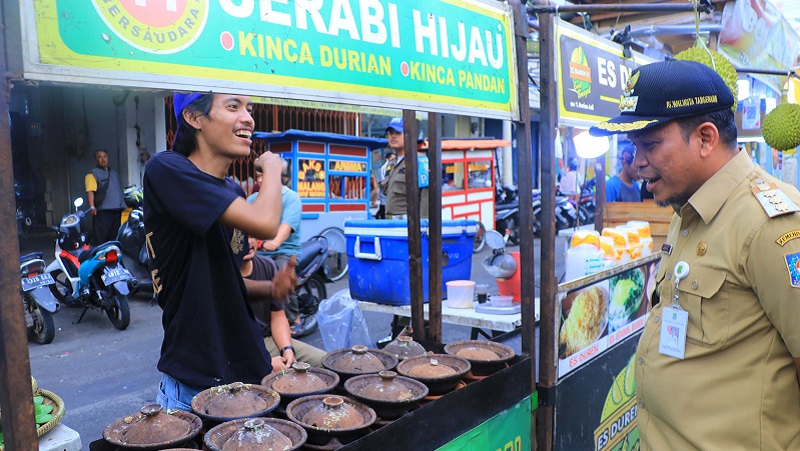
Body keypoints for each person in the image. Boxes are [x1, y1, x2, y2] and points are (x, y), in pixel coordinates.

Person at [590, 60, 800, 450]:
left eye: (650, 145)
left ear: (705, 138)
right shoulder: (687, 209)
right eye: (634, 147)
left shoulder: (770, 225)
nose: (637, 163)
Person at [146, 92, 286, 411]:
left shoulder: (232, 191)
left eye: (250, 108)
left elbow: (224, 281)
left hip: (248, 375)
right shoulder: (166, 169)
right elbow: (266, 224)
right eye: (233, 106)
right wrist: (273, 168)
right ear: (194, 118)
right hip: (195, 386)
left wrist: (271, 288)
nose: (248, 117)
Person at [241, 236, 325, 368]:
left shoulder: (267, 265)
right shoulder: (220, 274)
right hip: (239, 349)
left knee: (324, 362)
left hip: (268, 339)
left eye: (251, 235)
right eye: (240, 237)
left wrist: (287, 349)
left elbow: (278, 316)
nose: (248, 242)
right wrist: (266, 363)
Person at [248, 161, 310, 338]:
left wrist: (275, 241)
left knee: (280, 276)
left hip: (285, 250)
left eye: (264, 175)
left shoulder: (291, 198)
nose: (260, 180)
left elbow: (287, 226)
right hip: (259, 250)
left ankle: (295, 318)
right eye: (258, 176)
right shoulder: (252, 200)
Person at [381, 117, 429, 219]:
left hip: (408, 222)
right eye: (390, 133)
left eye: (398, 133)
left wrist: (424, 225)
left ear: (409, 135)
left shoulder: (419, 161)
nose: (393, 136)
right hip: (390, 221)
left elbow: (426, 196)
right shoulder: (391, 164)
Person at [85, 149, 125, 245]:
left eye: (104, 156)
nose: (102, 159)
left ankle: (113, 259)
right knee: (101, 240)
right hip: (103, 213)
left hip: (116, 211)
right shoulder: (92, 174)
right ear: (96, 160)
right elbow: (90, 191)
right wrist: (91, 206)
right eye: (99, 157)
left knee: (114, 239)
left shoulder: (114, 173)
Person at [375, 152, 396, 219]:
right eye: (392, 159)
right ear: (387, 159)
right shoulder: (382, 169)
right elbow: (382, 183)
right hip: (385, 196)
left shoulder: (395, 167)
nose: (394, 160)